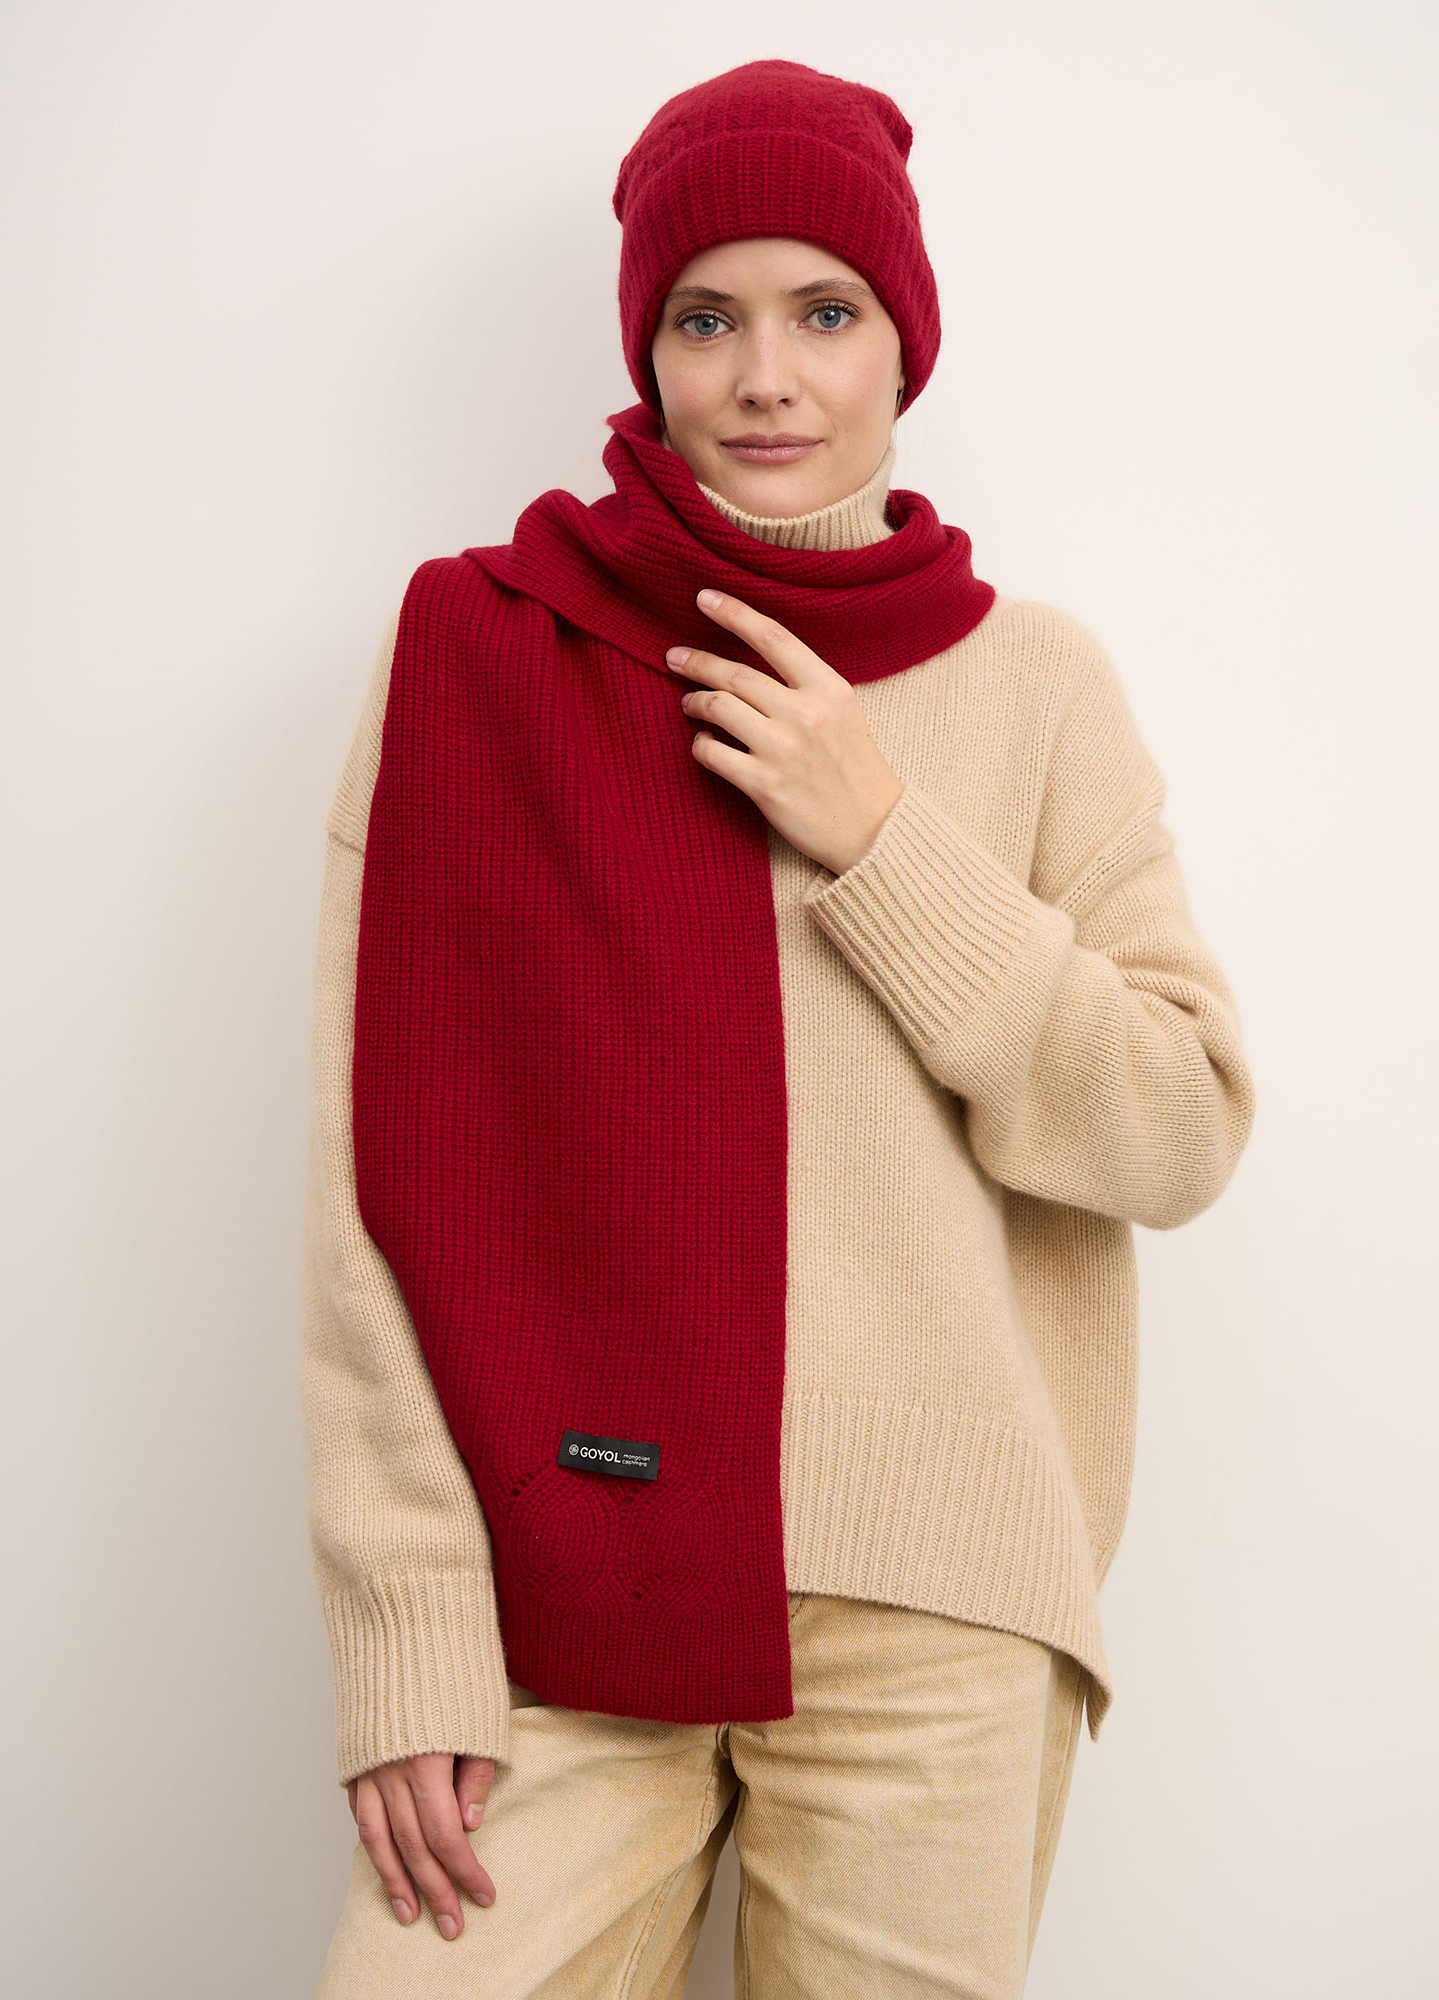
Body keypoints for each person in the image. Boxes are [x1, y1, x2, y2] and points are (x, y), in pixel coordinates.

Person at [300, 57, 1256, 1999]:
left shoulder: (1034, 685)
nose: (764, 377)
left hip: (938, 1604)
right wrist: (412, 1627)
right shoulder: (480, 651)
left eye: (825, 313)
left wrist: (884, 837)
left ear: (904, 343)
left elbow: (1176, 1125)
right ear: (646, 351)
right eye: (704, 318)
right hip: (564, 1582)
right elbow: (374, 1180)